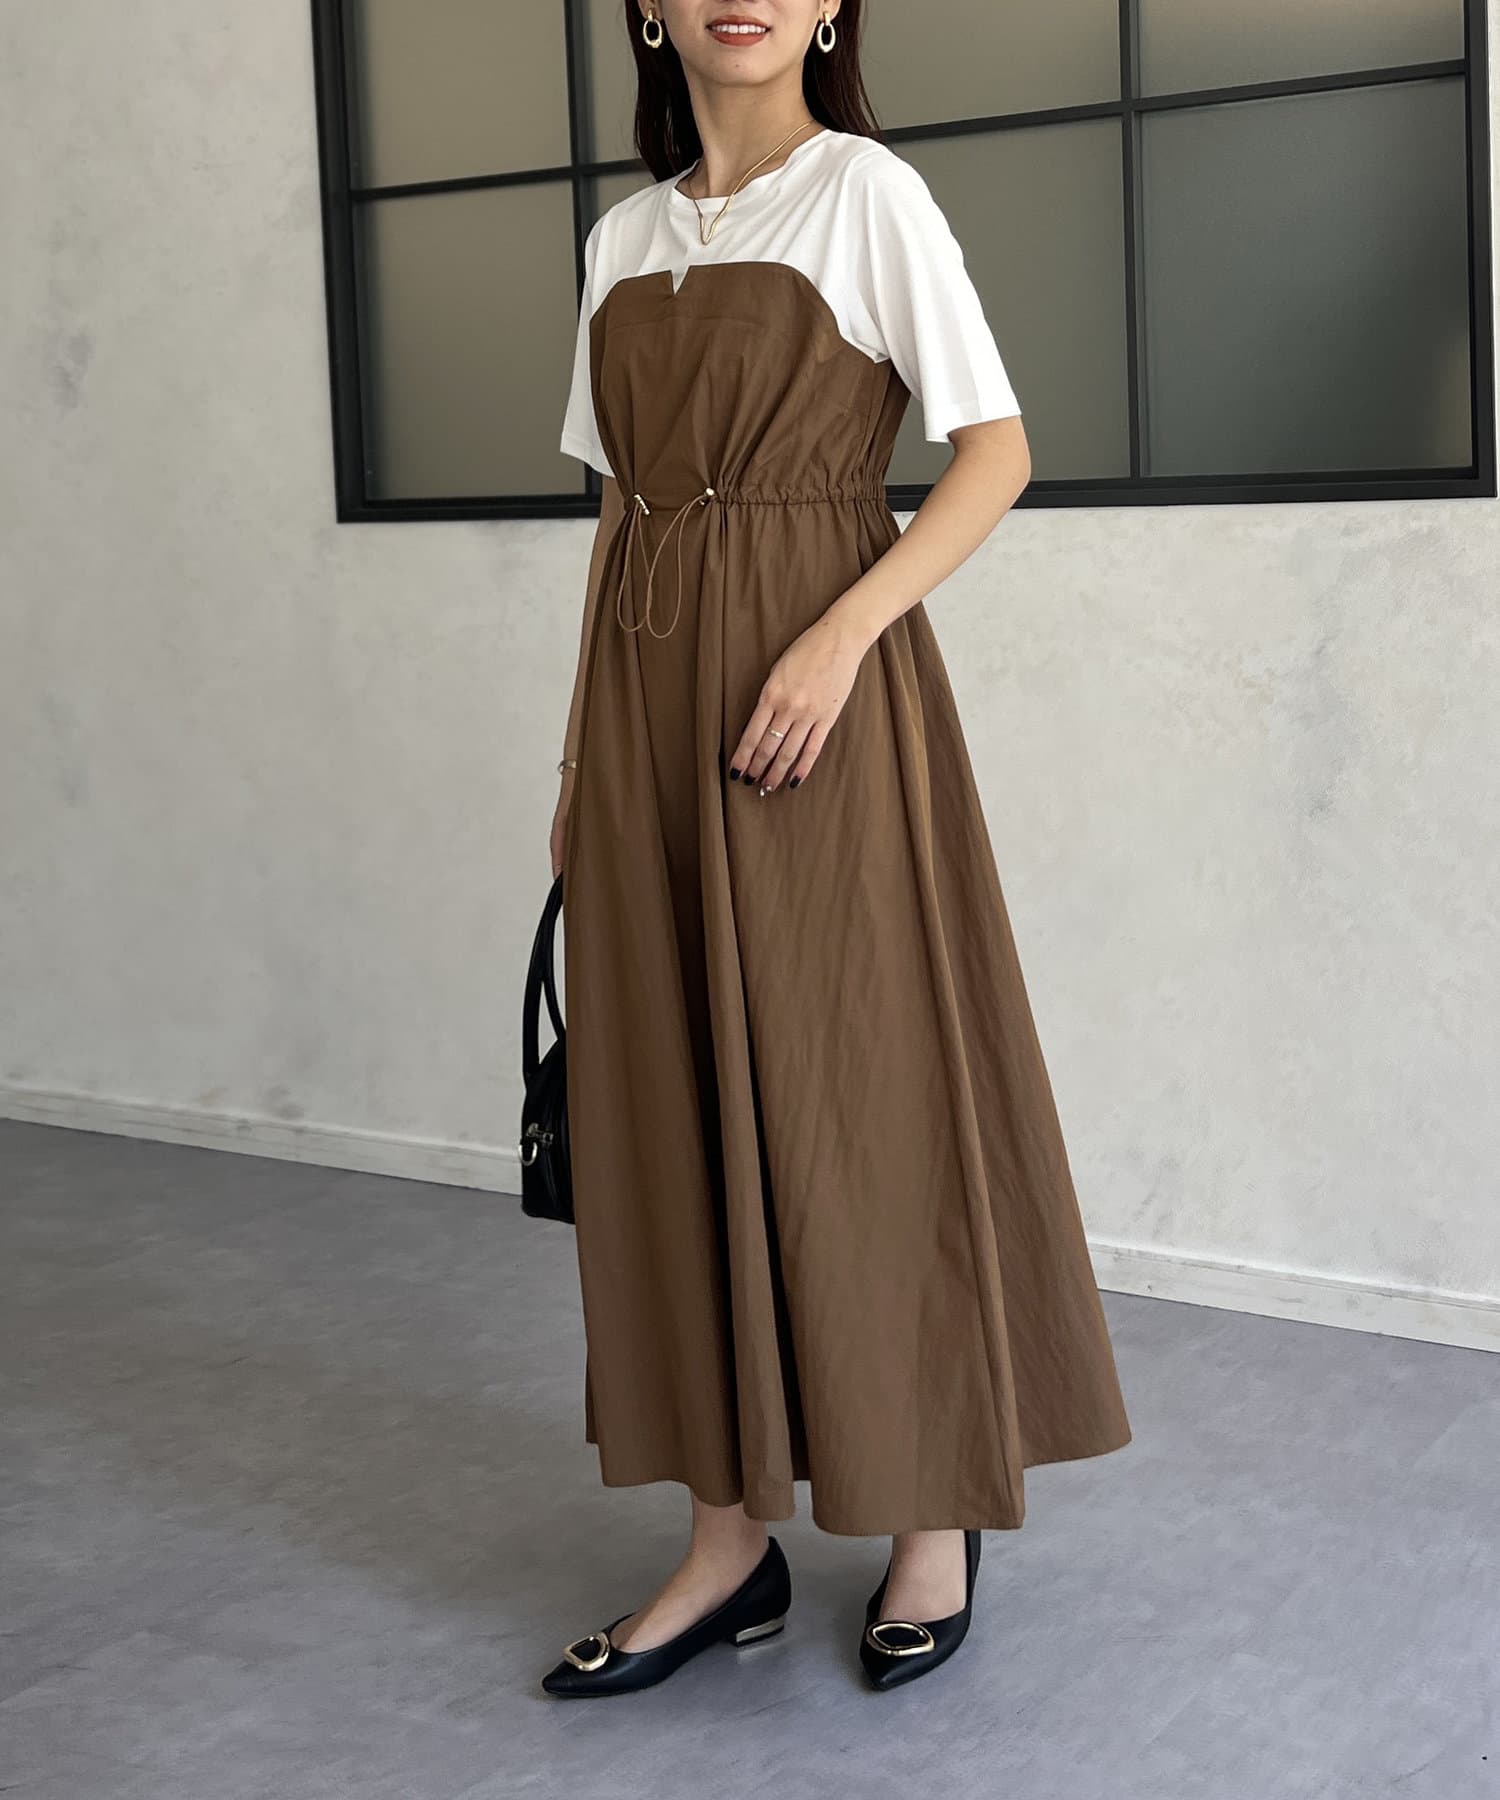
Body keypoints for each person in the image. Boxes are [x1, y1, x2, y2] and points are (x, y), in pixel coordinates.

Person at [543, 0, 1132, 1697]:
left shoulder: (867, 193)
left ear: (829, 6)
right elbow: (621, 510)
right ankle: (727, 1545)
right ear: (645, 6)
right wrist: (580, 756)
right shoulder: (621, 238)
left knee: (863, 1095)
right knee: (671, 1113)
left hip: (815, 705)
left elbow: (996, 453)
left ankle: (932, 1511)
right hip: (646, 712)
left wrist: (838, 636)